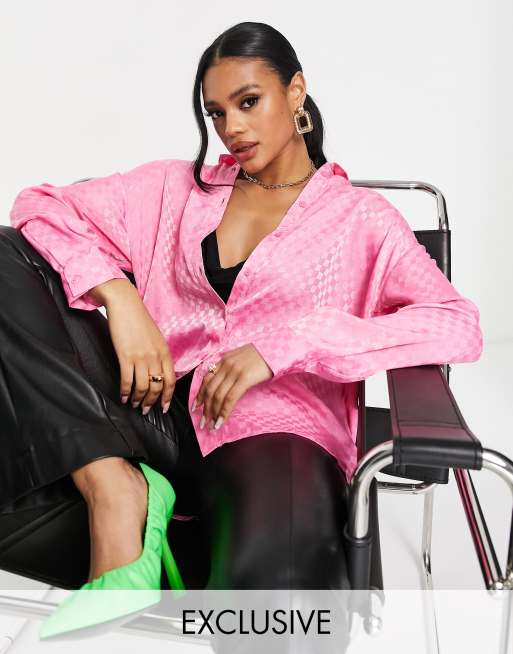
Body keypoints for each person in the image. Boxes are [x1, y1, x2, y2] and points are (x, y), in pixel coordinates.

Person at [1, 20, 482, 642]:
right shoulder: (176, 187)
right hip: (146, 408)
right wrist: (122, 300)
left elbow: (455, 322)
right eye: (217, 112)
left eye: (249, 102)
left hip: (271, 432)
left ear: (295, 91)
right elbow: (40, 206)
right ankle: (115, 489)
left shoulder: (361, 220)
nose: (231, 127)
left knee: (277, 599)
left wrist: (288, 344)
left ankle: (189, 566)